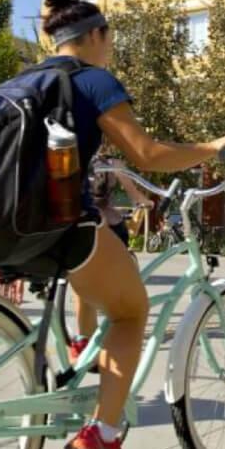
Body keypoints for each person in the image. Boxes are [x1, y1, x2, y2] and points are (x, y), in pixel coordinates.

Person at [38, 0, 225, 449]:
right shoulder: (92, 80)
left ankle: (76, 353)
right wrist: (212, 148)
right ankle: (102, 435)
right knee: (132, 311)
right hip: (60, 224)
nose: (110, 46)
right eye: (109, 36)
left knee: (97, 283)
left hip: (4, 223)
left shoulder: (31, 80)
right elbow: (147, 154)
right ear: (94, 36)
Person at [67, 147, 152, 360]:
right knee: (127, 279)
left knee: (82, 287)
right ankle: (121, 328)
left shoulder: (76, 157)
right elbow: (136, 195)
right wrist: (146, 202)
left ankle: (85, 341)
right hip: (110, 228)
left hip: (80, 227)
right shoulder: (113, 163)